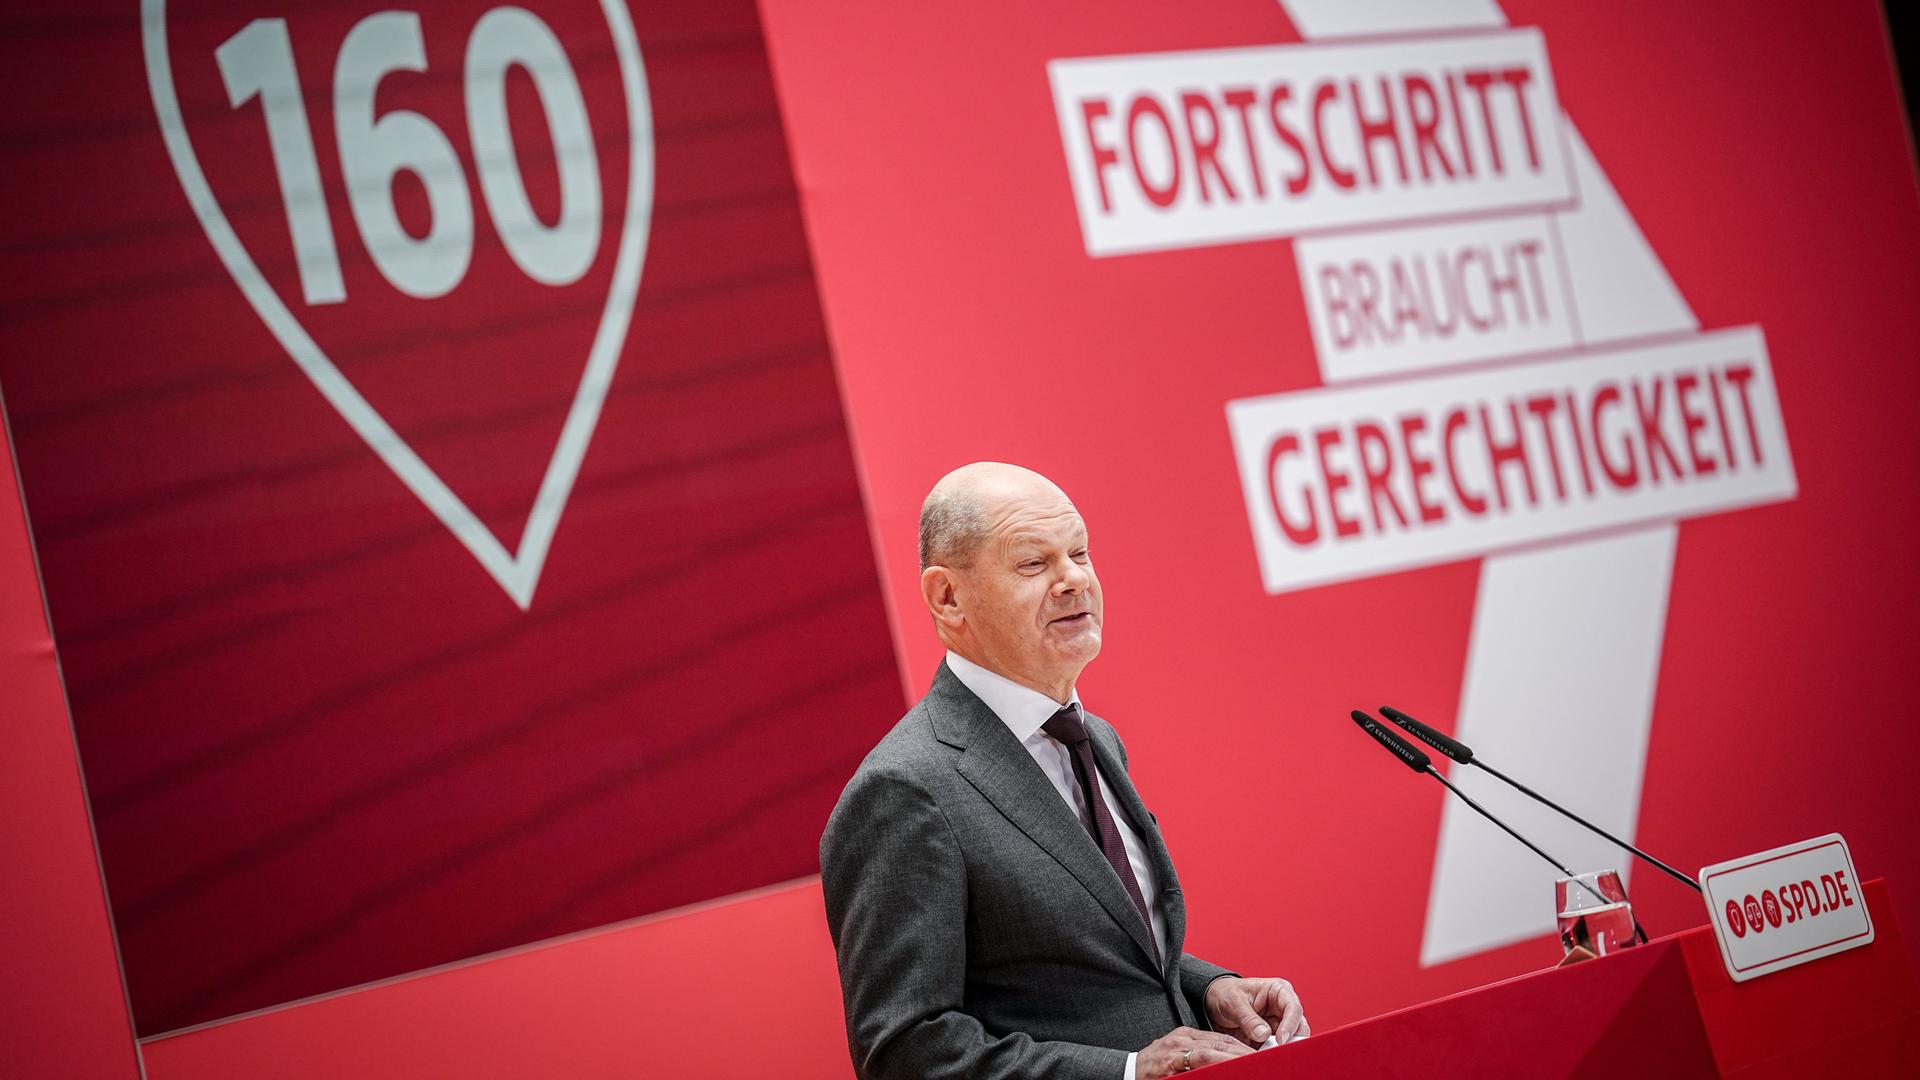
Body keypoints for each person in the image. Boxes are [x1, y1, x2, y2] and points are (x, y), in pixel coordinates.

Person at [820, 462, 1308, 1080]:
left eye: (1079, 553)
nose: (1074, 579)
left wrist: (1208, 989)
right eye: (1033, 563)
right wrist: (1127, 1071)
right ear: (948, 597)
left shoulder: (1093, 736)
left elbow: (1084, 959)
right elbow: (905, 1052)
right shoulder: (905, 789)